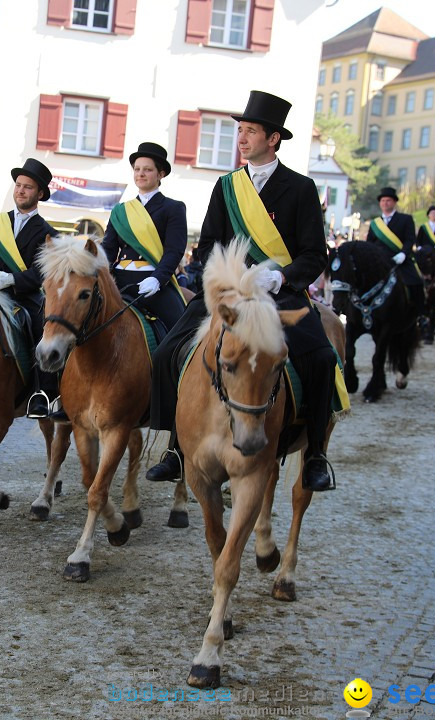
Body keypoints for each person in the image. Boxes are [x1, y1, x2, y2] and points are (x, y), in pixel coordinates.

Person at [146, 90, 337, 492]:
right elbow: (210, 244)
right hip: (228, 292)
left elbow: (313, 254)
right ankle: (175, 448)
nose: (242, 138)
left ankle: (316, 453)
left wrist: (281, 277)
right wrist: (221, 280)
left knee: (321, 358)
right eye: (241, 130)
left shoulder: (301, 188)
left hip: (277, 292)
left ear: (274, 138)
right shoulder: (226, 186)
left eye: (251, 131)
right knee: (165, 353)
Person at [0, 157, 61, 418]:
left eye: (28, 187)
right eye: (18, 185)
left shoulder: (49, 233)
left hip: (23, 297)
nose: (20, 190)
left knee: (42, 329)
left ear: (39, 193)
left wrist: (13, 280)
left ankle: (43, 393)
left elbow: (43, 271)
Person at [100, 141, 187, 334]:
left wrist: (157, 279)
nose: (140, 173)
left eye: (147, 169)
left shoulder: (173, 208)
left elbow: (174, 250)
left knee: (179, 329)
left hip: (151, 281)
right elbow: (108, 249)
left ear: (160, 174)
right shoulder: (120, 211)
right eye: (137, 169)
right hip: (118, 279)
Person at [366, 187, 425, 326]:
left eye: (388, 200)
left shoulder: (406, 219)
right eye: (383, 201)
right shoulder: (375, 223)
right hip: (380, 262)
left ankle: (420, 314)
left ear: (394, 202)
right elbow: (370, 243)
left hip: (400, 260)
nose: (385, 203)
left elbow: (410, 239)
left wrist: (404, 253)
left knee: (416, 281)